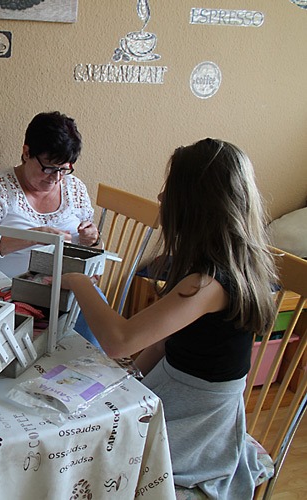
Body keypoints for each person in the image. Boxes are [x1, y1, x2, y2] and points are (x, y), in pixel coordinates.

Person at [60, 138, 277, 498]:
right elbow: (163, 342)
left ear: (194, 203)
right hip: (175, 390)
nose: (161, 197)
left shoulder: (208, 283)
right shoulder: (207, 269)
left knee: (90, 458)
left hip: (198, 424)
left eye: (169, 189)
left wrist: (78, 280)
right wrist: (127, 382)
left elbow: (118, 341)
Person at [0, 111, 102, 346]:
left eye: (64, 169)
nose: (56, 178)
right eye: (48, 168)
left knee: (95, 313)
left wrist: (94, 239)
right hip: (12, 291)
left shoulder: (75, 188)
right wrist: (32, 237)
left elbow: (93, 248)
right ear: (27, 152)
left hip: (67, 291)